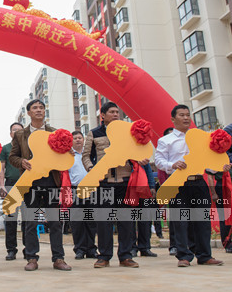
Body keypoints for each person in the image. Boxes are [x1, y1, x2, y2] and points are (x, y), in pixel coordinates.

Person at [155, 104, 227, 267]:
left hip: (198, 183)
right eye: (182, 115)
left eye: (188, 115)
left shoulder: (202, 138)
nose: (186, 118)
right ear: (173, 119)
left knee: (202, 220)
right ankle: (184, 256)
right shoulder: (166, 140)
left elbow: (207, 162)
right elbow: (159, 161)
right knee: (181, 221)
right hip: (178, 185)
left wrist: (218, 167)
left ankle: (204, 255)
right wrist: (172, 165)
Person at [82, 102, 148, 269]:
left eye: (117, 112)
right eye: (112, 112)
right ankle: (104, 256)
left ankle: (126, 256)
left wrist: (141, 159)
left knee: (126, 221)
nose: (116, 114)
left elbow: (138, 152)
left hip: (125, 181)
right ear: (102, 115)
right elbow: (86, 156)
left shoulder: (129, 132)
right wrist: (92, 169)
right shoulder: (94, 133)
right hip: (104, 183)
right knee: (104, 222)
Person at [9, 99, 71, 272]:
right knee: (30, 222)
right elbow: (12, 157)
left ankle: (58, 258)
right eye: (34, 108)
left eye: (41, 108)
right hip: (30, 184)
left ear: (45, 111)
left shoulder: (55, 132)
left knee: (55, 222)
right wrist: (21, 162)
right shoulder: (21, 135)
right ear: (28, 113)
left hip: (52, 182)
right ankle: (31, 258)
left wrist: (68, 153)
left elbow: (64, 155)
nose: (38, 110)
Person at [0, 122, 25, 261]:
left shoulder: (28, 148)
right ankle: (11, 250)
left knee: (28, 218)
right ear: (10, 134)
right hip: (10, 185)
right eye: (14, 130)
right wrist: (2, 186)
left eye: (20, 130)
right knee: (10, 218)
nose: (16, 132)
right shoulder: (5, 149)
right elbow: (1, 169)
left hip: (26, 184)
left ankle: (29, 248)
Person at [68, 131, 97, 260]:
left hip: (91, 190)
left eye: (80, 138)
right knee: (77, 222)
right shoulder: (68, 156)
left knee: (91, 221)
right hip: (75, 190)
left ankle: (91, 249)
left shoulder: (89, 155)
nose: (78, 140)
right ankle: (79, 249)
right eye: (75, 138)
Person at [207, 123, 232, 253]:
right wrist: (213, 193)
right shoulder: (216, 156)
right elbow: (210, 175)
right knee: (225, 215)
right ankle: (228, 242)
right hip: (222, 187)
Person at [131, 163, 157, 257]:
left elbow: (148, 169)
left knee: (145, 220)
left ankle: (145, 247)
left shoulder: (142, 152)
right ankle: (132, 247)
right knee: (130, 221)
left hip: (143, 188)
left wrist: (151, 186)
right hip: (130, 188)